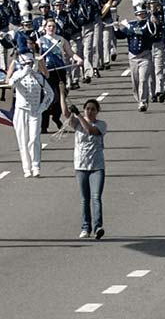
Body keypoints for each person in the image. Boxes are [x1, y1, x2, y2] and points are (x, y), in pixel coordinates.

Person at [6, 49, 53, 178]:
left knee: (34, 139)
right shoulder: (17, 75)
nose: (29, 65)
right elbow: (10, 85)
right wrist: (23, 73)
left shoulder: (38, 77)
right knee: (23, 140)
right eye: (26, 63)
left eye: (30, 62)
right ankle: (26, 168)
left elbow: (50, 93)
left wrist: (42, 107)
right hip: (21, 111)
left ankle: (36, 166)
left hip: (35, 111)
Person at [67, 99, 107, 240]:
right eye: (87, 109)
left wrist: (78, 115)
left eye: (92, 109)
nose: (89, 112)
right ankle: (85, 227)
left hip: (97, 167)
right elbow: (66, 114)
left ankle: (98, 227)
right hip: (81, 166)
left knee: (96, 197)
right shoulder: (77, 123)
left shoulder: (101, 125)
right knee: (85, 199)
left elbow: (90, 131)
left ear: (97, 111)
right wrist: (61, 92)